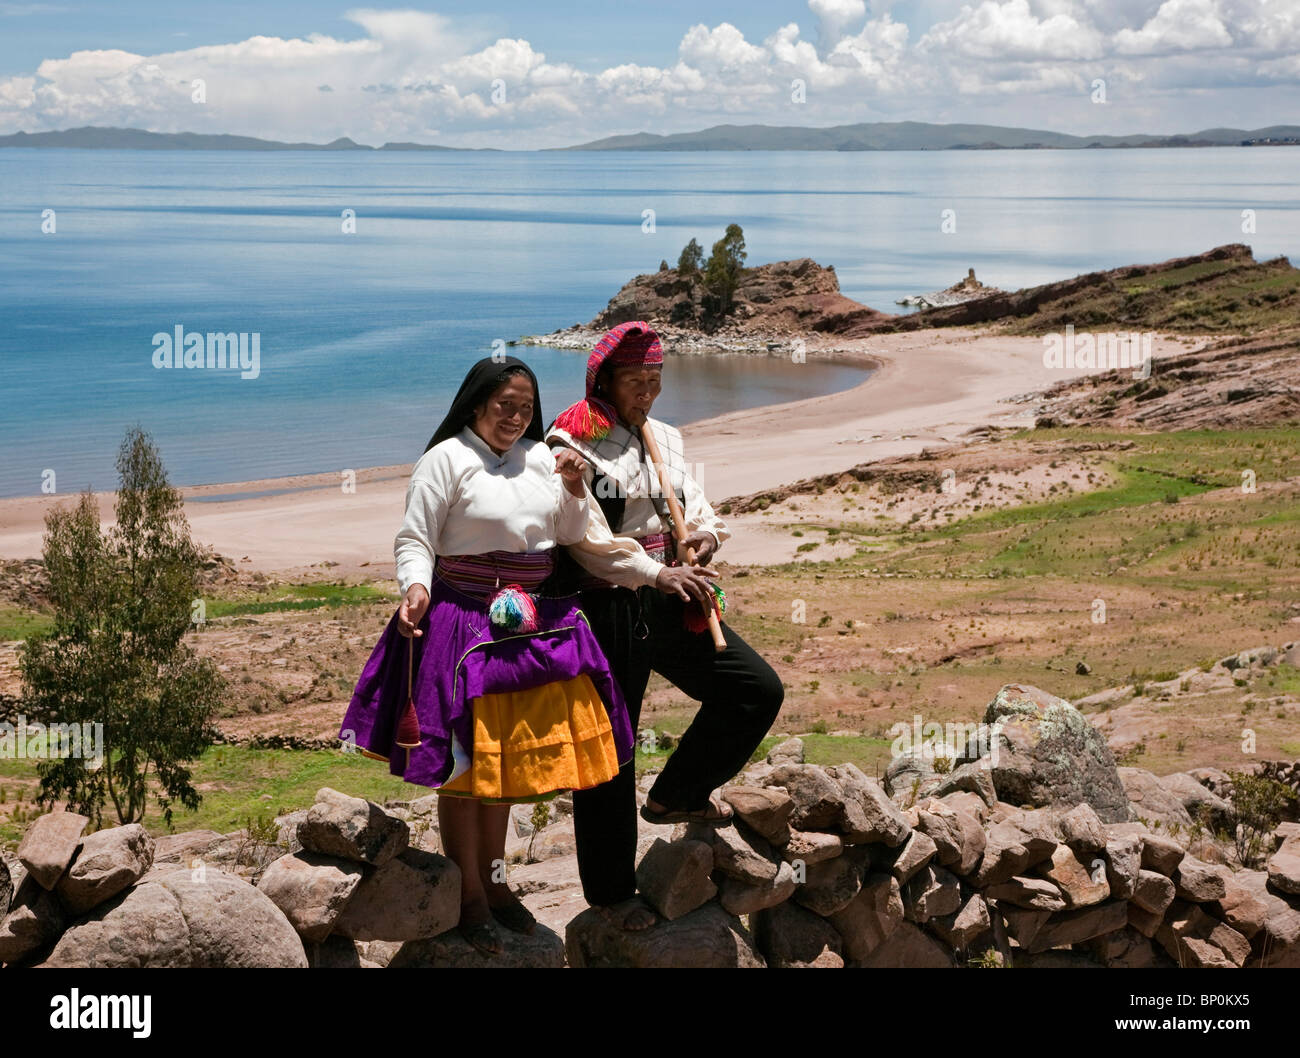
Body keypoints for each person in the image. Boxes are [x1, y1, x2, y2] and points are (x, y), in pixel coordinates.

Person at [339, 355, 634, 956]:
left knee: (501, 764)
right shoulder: (444, 459)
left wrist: (575, 487)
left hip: (524, 627)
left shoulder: (544, 458)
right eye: (504, 405)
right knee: (464, 768)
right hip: (460, 622)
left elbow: (571, 530)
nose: (516, 416)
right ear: (475, 403)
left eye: (525, 407)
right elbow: (414, 538)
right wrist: (414, 587)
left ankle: (497, 888)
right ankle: (470, 895)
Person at [546, 321, 784, 932]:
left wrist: (701, 537)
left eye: (655, 382)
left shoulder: (666, 436)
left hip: (670, 592)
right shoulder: (576, 435)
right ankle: (610, 895)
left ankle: (675, 794)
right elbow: (584, 537)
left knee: (754, 689)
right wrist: (653, 571)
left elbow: (694, 503)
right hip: (606, 605)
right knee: (611, 749)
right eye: (634, 382)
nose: (647, 395)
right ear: (604, 379)